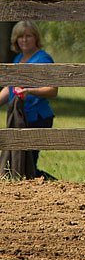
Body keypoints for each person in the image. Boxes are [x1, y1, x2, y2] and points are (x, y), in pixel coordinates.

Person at [0, 21, 58, 179]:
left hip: (37, 117)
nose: (24, 40)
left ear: (36, 38)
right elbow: (10, 87)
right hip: (20, 116)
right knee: (17, 162)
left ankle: (54, 184)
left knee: (27, 164)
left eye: (28, 36)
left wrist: (30, 91)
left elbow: (52, 90)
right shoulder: (19, 58)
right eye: (20, 37)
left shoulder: (43, 59)